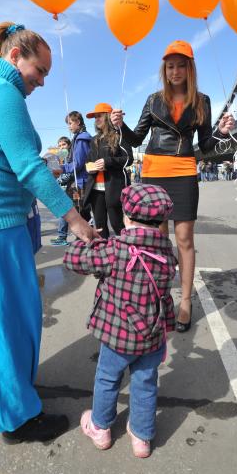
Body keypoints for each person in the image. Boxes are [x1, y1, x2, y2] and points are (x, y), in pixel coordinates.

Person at [0, 22, 99, 444]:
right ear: (15, 56)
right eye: (39, 71)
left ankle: (4, 391)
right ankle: (14, 418)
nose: (42, 81)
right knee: (2, 318)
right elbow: (27, 166)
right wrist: (74, 219)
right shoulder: (1, 91)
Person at [110, 40, 235, 332]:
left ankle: (186, 302)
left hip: (184, 170)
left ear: (189, 68)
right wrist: (119, 126)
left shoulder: (201, 101)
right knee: (157, 239)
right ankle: (158, 295)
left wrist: (221, 133)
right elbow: (136, 139)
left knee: (184, 239)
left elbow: (205, 145)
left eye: (180, 65)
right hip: (154, 171)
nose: (175, 71)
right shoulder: (154, 100)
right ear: (164, 70)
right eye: (170, 66)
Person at [63, 184, 177, 458]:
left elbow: (72, 260)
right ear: (162, 220)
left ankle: (101, 427)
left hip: (117, 336)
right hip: (151, 336)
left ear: (126, 217)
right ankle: (142, 436)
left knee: (107, 378)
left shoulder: (114, 249)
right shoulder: (167, 253)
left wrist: (86, 240)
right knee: (146, 382)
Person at [83, 102, 133, 238]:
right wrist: (90, 167)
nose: (97, 119)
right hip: (95, 189)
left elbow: (129, 159)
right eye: (95, 117)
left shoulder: (119, 135)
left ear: (108, 117)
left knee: (117, 223)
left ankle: (125, 250)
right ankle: (102, 252)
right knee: (99, 225)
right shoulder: (94, 140)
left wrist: (108, 162)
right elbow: (87, 161)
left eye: (99, 116)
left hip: (114, 187)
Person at [60, 111, 92, 222]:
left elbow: (77, 164)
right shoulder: (78, 138)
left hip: (81, 182)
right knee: (81, 213)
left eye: (70, 123)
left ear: (78, 122)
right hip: (79, 181)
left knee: (81, 214)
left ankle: (85, 238)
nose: (69, 127)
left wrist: (62, 168)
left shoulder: (81, 139)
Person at [50, 136, 73, 246]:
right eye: (59, 145)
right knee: (64, 213)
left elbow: (68, 174)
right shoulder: (60, 158)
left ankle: (63, 236)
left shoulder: (71, 156)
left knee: (72, 213)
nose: (61, 147)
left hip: (71, 188)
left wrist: (58, 179)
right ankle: (62, 236)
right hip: (63, 189)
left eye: (63, 145)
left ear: (69, 145)